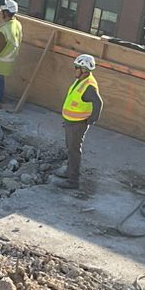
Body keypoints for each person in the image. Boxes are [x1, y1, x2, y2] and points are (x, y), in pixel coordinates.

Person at [56, 54, 103, 189]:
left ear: (84, 69)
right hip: (71, 122)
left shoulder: (89, 87)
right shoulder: (81, 80)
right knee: (70, 148)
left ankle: (73, 181)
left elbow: (98, 103)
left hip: (78, 124)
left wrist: (92, 120)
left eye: (77, 67)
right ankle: (69, 172)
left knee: (74, 151)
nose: (74, 69)